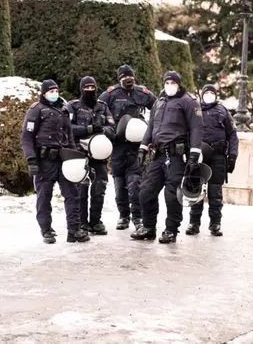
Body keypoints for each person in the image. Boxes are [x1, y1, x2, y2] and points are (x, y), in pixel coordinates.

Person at [131, 71, 204, 244]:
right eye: (167, 82)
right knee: (146, 192)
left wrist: (194, 154)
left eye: (172, 82)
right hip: (157, 155)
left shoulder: (188, 101)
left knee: (171, 195)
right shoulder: (159, 101)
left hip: (176, 156)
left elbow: (196, 128)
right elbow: (151, 127)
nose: (169, 85)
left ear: (179, 84)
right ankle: (149, 228)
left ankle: (171, 230)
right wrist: (142, 148)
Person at [21, 79, 89, 244]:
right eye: (51, 91)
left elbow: (70, 136)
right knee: (44, 196)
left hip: (63, 159)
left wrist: (75, 157)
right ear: (44, 93)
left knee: (72, 194)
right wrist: (31, 159)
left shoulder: (64, 109)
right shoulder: (36, 110)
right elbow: (26, 137)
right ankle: (46, 230)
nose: (54, 93)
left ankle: (74, 230)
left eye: (56, 90)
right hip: (44, 161)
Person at [99, 65, 157, 231]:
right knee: (119, 183)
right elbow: (97, 111)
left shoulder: (142, 93)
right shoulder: (110, 94)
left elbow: (159, 107)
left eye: (130, 76)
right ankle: (123, 216)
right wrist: (105, 128)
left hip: (136, 145)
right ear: (119, 79)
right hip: (117, 145)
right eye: (124, 77)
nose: (128, 80)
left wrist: (150, 127)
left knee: (135, 183)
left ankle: (137, 217)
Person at [186, 84, 238, 237]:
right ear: (202, 95)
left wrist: (232, 155)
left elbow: (232, 135)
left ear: (216, 95)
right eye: (206, 93)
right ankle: (194, 223)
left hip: (218, 156)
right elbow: (187, 132)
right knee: (196, 190)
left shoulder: (223, 111)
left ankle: (215, 223)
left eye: (211, 93)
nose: (209, 95)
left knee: (215, 192)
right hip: (199, 155)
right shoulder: (195, 110)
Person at [68, 76, 115, 235]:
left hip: (99, 153)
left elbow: (112, 128)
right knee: (81, 188)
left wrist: (102, 130)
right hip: (80, 152)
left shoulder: (103, 107)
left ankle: (96, 221)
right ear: (81, 89)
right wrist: (88, 129)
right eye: (86, 88)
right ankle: (82, 222)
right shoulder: (73, 106)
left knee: (99, 186)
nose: (89, 90)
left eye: (92, 87)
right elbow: (68, 128)